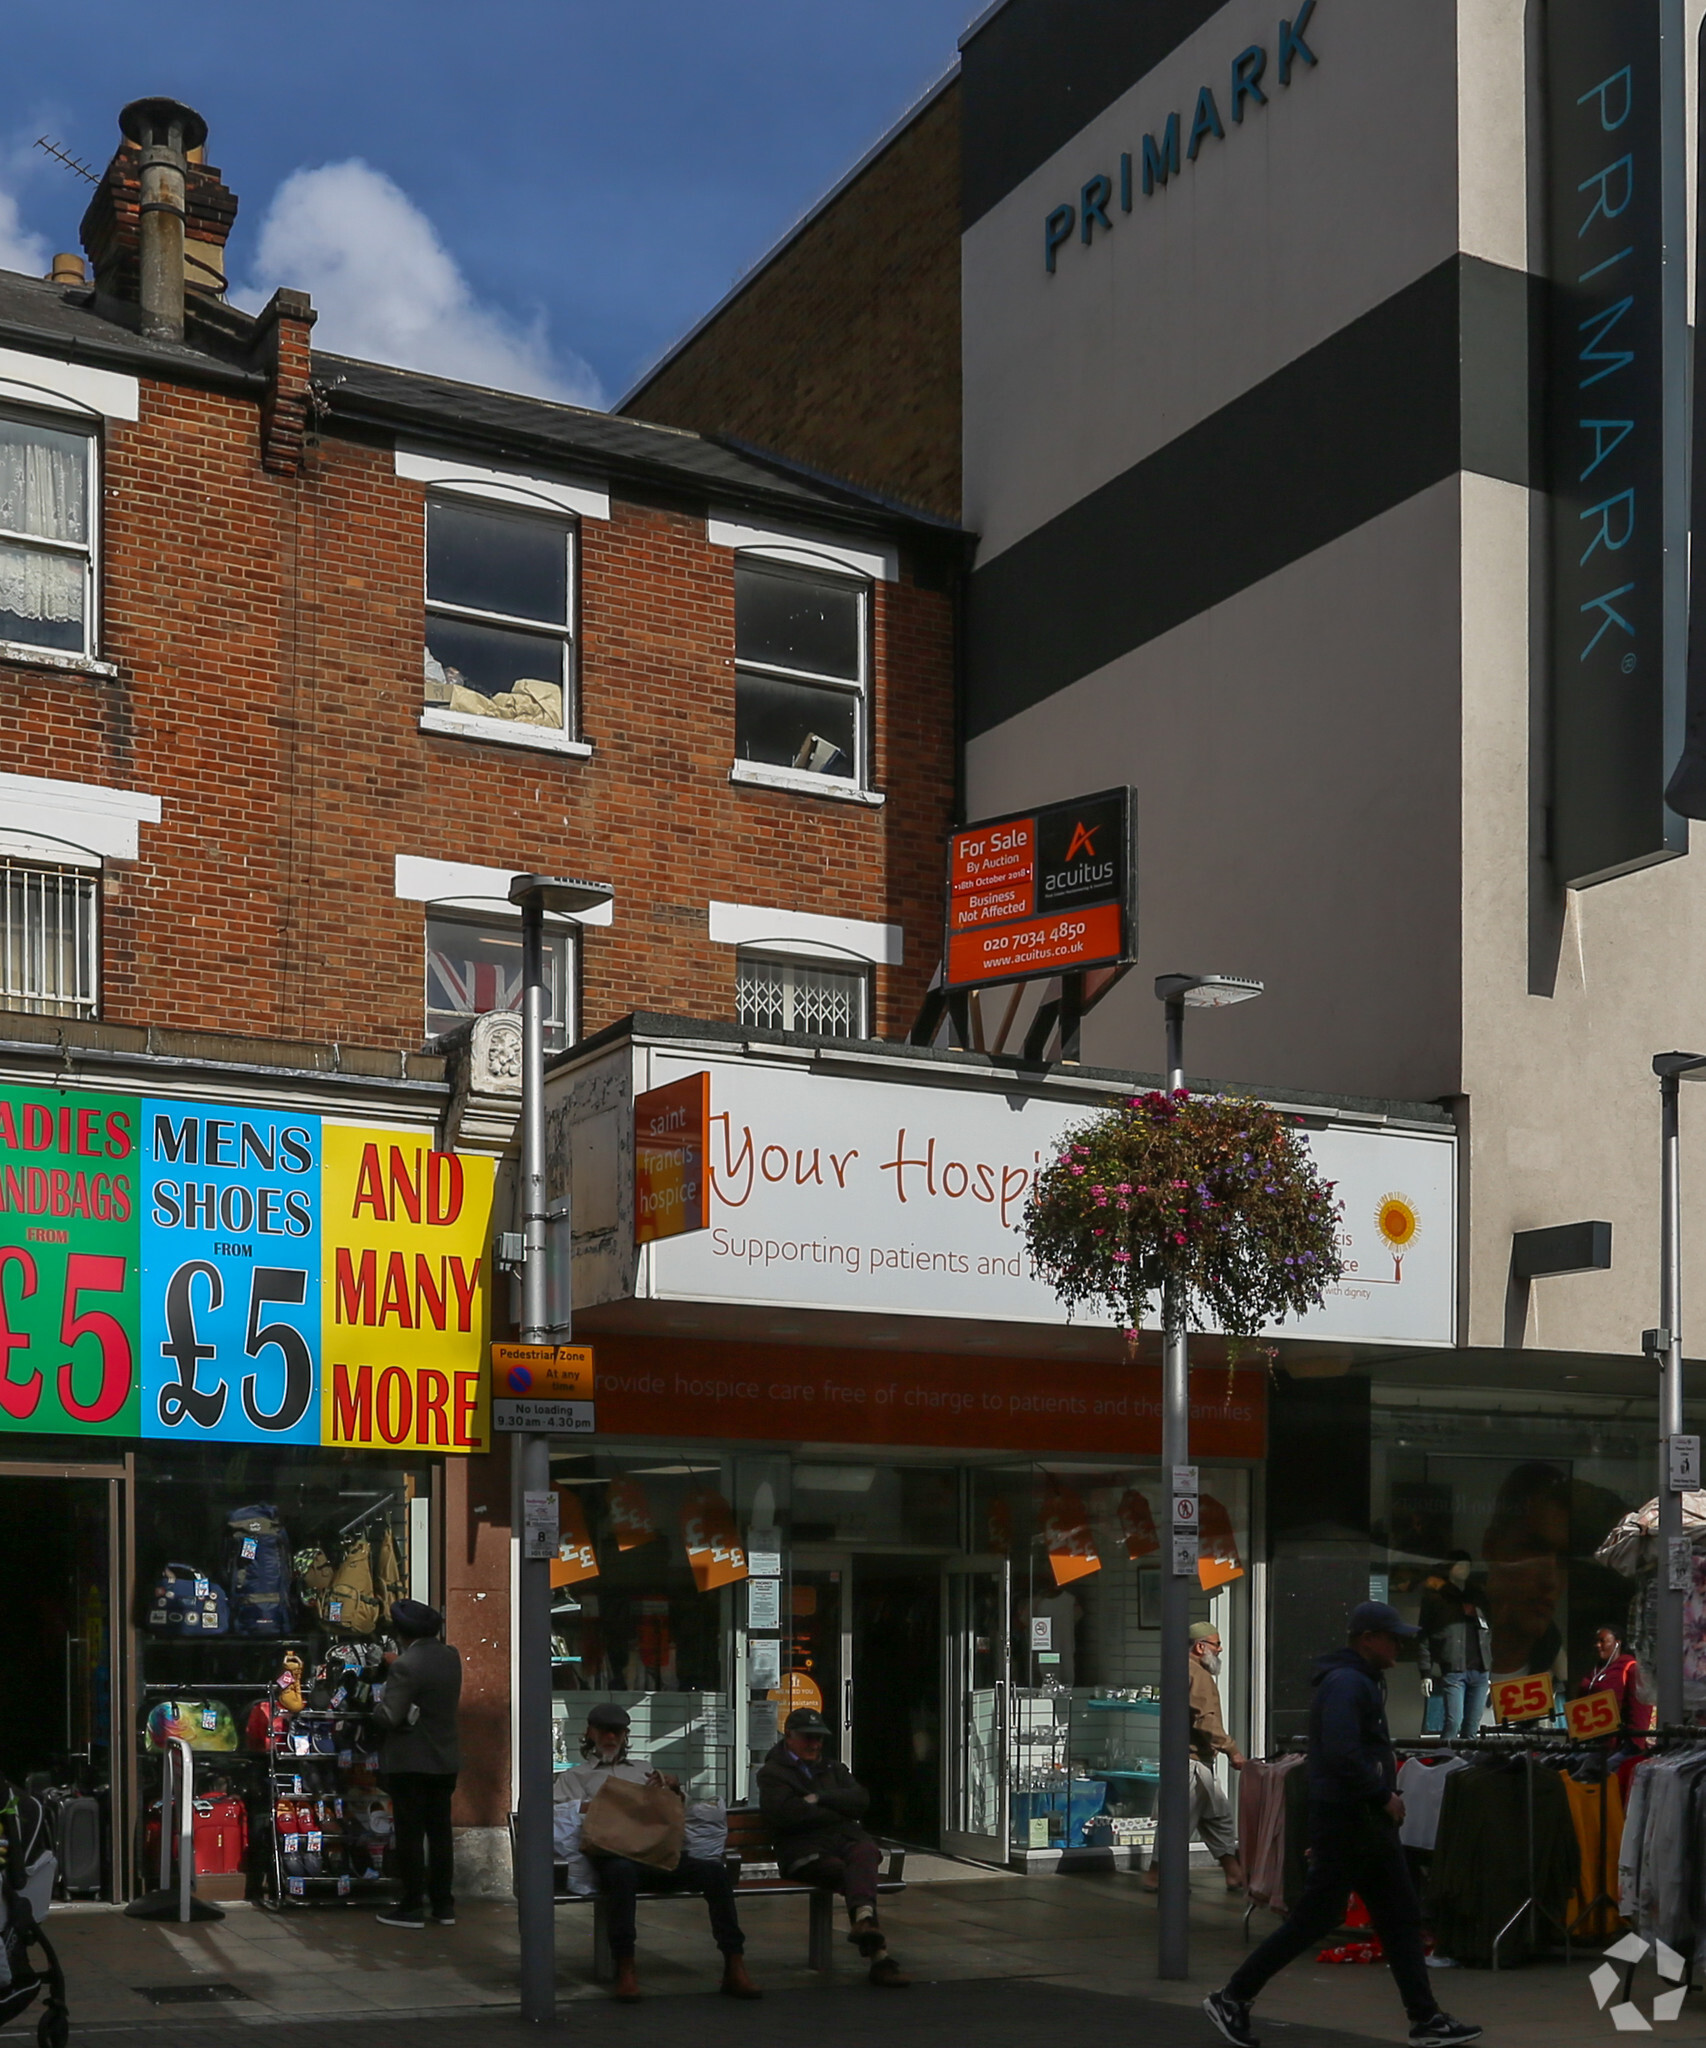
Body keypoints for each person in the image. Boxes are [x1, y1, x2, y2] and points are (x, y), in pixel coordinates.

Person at [1202, 1602, 1481, 2048]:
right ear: (1367, 1639)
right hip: (1353, 1820)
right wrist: (1381, 1795)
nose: (1399, 1647)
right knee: (1321, 1917)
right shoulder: (1348, 1684)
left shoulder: (1359, 1680)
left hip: (1359, 1822)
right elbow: (1339, 1753)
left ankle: (1426, 2019)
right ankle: (1233, 1996)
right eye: (1392, 1638)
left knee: (1398, 1917)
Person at [559, 1702, 759, 2003]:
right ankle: (625, 1967)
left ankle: (735, 1963)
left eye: (618, 1732)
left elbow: (680, 1812)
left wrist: (672, 1789)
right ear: (590, 1733)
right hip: (614, 1859)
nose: (611, 1738)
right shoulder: (575, 1777)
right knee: (621, 1873)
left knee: (714, 1873)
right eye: (604, 1731)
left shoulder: (644, 1771)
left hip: (655, 1857)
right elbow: (561, 1819)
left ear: (626, 1735)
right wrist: (603, 1805)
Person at [757, 1706, 908, 1987]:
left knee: (864, 1853)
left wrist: (819, 1798)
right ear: (789, 1735)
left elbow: (860, 1800)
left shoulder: (833, 1768)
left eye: (819, 1738)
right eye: (807, 1737)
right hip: (804, 1852)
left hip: (844, 1842)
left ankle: (865, 1923)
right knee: (850, 1873)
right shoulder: (773, 1773)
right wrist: (838, 1808)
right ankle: (879, 1955)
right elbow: (786, 1815)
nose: (814, 1744)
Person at [371, 1599, 463, 1931]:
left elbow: (390, 1715)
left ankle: (411, 1906)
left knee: (410, 1835)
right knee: (440, 1834)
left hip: (411, 1762)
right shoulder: (451, 1657)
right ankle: (443, 1904)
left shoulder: (405, 1666)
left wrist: (375, 1705)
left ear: (401, 1633)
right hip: (445, 1759)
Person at [1144, 1621, 1245, 1894]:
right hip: (1191, 1761)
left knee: (1218, 1816)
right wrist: (1232, 1749)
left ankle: (1234, 1873)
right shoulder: (1197, 1675)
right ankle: (1156, 1875)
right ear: (1200, 1647)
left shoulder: (1182, 1670)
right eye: (1216, 1644)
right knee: (1178, 1822)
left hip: (1195, 1759)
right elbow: (1205, 1720)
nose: (1220, 1649)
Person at [1418, 1554, 1491, 1739]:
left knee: (1472, 1725)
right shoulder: (1436, 1599)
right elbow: (1424, 1634)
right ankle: (1445, 1762)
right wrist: (1425, 1672)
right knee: (1453, 1721)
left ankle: (1466, 1765)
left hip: (1480, 1670)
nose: (1464, 1570)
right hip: (1454, 1669)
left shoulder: (1477, 1597)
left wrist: (1490, 1665)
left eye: (1467, 1566)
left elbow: (1490, 1629)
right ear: (1450, 1568)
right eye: (1460, 1566)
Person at [1581, 1625, 1655, 1736]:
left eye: (1602, 1641)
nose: (1597, 1645)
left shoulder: (1630, 1669)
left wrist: (1634, 1742)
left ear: (1617, 1643)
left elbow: (1640, 1710)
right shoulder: (1595, 1671)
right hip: (1588, 1738)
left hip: (1616, 1741)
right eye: (1596, 1642)